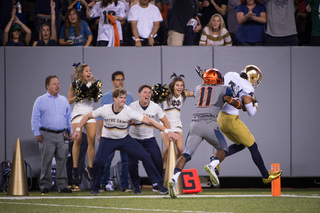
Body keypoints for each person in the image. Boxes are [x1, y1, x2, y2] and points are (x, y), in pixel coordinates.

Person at [73, 88, 179, 195]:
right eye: (121, 98)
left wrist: (167, 131)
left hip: (124, 139)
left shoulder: (128, 111)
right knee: (98, 162)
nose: (123, 100)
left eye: (124, 98)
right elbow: (87, 116)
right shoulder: (105, 109)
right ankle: (95, 188)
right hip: (108, 140)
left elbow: (149, 121)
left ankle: (158, 184)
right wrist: (78, 129)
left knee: (145, 155)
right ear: (114, 98)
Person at [168, 68, 243, 198]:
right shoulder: (224, 88)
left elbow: (203, 90)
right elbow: (238, 105)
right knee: (223, 149)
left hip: (195, 124)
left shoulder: (198, 88)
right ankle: (212, 165)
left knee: (186, 153)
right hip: (210, 124)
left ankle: (173, 178)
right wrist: (232, 99)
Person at [217, 65, 282, 185]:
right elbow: (251, 112)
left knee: (241, 144)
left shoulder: (231, 74)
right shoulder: (247, 87)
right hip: (232, 120)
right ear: (252, 78)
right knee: (253, 146)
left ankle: (216, 159)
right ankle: (265, 176)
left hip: (220, 118)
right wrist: (256, 103)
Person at [31, 75, 73, 194]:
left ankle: (63, 186)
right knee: (46, 161)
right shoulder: (40, 100)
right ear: (47, 86)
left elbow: (69, 117)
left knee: (62, 160)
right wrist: (36, 132)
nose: (57, 86)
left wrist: (72, 132)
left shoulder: (64, 100)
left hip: (62, 135)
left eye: (58, 84)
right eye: (54, 84)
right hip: (46, 134)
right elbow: (35, 118)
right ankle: (45, 185)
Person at [129, 85, 171, 194]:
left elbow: (165, 121)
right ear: (139, 94)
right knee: (132, 163)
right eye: (145, 92)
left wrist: (169, 132)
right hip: (134, 139)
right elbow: (126, 120)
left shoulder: (155, 107)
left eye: (149, 92)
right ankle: (136, 185)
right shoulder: (132, 106)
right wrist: (130, 122)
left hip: (149, 138)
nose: (148, 94)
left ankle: (157, 184)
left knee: (158, 160)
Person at [97, 71, 133, 192]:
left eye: (122, 79)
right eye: (117, 80)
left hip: (124, 134)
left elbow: (132, 115)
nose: (120, 82)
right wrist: (99, 133)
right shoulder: (106, 97)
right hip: (109, 135)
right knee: (106, 160)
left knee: (126, 161)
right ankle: (102, 184)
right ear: (113, 81)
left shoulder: (130, 96)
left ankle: (125, 185)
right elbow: (100, 117)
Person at [68, 63, 102, 189]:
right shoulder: (74, 85)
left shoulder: (93, 84)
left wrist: (94, 92)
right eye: (87, 71)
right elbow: (69, 100)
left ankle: (90, 168)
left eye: (90, 70)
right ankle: (75, 168)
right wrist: (79, 95)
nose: (89, 72)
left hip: (89, 111)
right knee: (78, 139)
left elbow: (96, 100)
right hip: (77, 112)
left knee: (91, 139)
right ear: (81, 73)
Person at [161, 76, 193, 171]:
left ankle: (175, 168)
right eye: (177, 85)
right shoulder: (167, 94)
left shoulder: (183, 94)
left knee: (180, 149)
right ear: (173, 86)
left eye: (182, 85)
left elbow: (195, 93)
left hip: (177, 125)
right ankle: (162, 169)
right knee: (168, 147)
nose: (180, 87)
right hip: (165, 125)